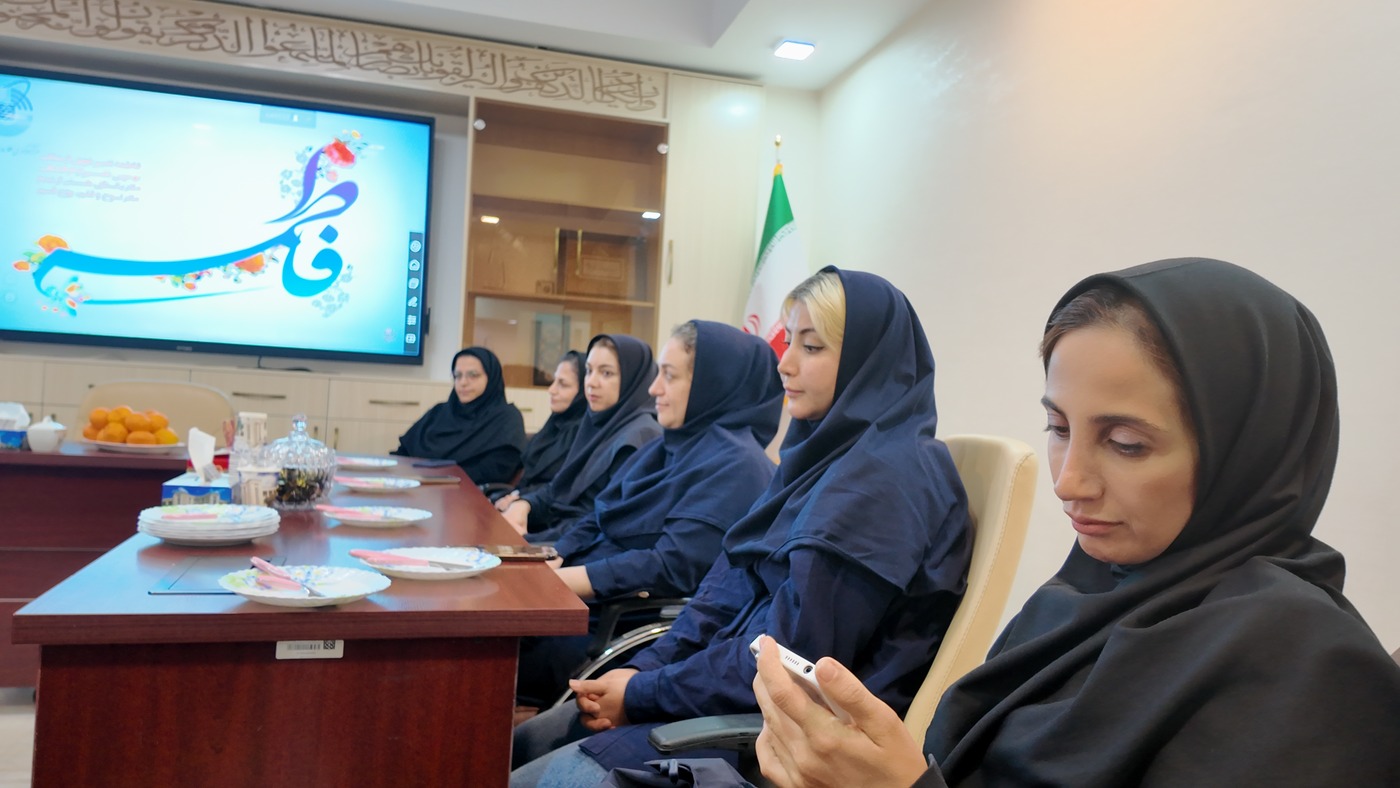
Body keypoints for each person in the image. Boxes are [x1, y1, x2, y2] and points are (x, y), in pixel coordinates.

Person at [752, 258, 1400, 787]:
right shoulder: (1080, 597)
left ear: (1247, 450)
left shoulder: (1310, 672)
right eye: (1059, 428)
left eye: (1125, 443)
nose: (1068, 482)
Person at [510, 267, 972, 786]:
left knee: (532, 769)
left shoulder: (883, 483)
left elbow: (787, 664)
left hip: (776, 740)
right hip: (717, 698)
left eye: (811, 347)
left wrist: (644, 692)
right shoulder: (817, 464)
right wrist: (644, 671)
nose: (785, 363)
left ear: (870, 363)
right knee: (525, 741)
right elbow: (722, 592)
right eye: (788, 341)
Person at [515, 320, 785, 708]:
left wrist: (565, 580)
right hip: (577, 595)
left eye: (669, 376)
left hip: (611, 621)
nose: (654, 388)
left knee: (477, 649)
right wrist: (555, 555)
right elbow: (600, 512)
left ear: (712, 384)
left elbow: (670, 565)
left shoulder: (737, 465)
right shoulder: (666, 446)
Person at [499, 334, 662, 540]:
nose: (592, 382)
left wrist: (531, 541)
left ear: (632, 379)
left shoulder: (639, 437)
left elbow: (603, 522)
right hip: (560, 537)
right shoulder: (598, 422)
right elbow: (559, 489)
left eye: (606, 373)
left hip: (579, 547)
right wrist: (525, 504)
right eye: (589, 371)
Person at [391, 346, 526, 484]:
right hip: (416, 487)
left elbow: (498, 470)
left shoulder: (506, 418)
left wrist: (439, 479)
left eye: (473, 375)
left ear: (491, 378)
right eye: (457, 375)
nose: (463, 383)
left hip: (468, 492)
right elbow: (403, 453)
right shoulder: (439, 413)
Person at [507, 351, 587, 499]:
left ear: (584, 390)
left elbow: (563, 488)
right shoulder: (554, 424)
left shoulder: (586, 434)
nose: (551, 390)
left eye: (563, 384)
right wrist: (514, 495)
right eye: (554, 381)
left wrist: (520, 499)